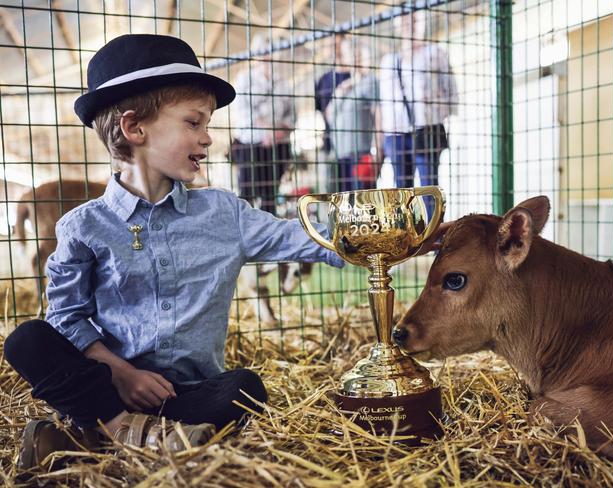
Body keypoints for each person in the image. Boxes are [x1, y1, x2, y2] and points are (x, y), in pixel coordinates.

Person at [3, 34, 344, 470]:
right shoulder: (83, 226)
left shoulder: (224, 213)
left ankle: (93, 436)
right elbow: (66, 317)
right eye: (194, 122)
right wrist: (120, 374)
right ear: (134, 128)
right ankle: (119, 426)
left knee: (245, 388)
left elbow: (302, 237)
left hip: (182, 396)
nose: (209, 139)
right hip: (108, 385)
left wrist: (393, 236)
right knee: (27, 341)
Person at [378, 10, 458, 212]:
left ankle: (433, 237)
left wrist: (438, 112)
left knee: (429, 188)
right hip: (396, 133)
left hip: (427, 129)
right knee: (401, 192)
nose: (409, 23)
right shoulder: (389, 61)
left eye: (414, 19)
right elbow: (384, 102)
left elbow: (451, 89)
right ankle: (405, 238)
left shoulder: (435, 53)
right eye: (404, 19)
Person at [230, 33, 294, 214]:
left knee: (270, 195)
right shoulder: (244, 79)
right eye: (263, 51)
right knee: (247, 195)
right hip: (251, 145)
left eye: (271, 51)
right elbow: (243, 111)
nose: (267, 56)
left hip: (277, 147)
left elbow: (291, 114)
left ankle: (269, 235)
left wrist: (279, 132)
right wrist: (268, 131)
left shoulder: (284, 83)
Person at [325, 37, 380, 192]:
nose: (355, 57)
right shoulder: (344, 86)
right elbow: (329, 114)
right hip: (340, 156)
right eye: (351, 53)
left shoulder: (370, 82)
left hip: (360, 155)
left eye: (358, 53)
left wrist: (378, 150)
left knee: (361, 202)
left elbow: (378, 115)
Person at [314, 33, 351, 193]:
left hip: (352, 146)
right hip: (330, 145)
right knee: (330, 191)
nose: (334, 50)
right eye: (331, 45)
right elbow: (320, 112)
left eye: (337, 45)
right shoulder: (323, 80)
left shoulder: (354, 76)